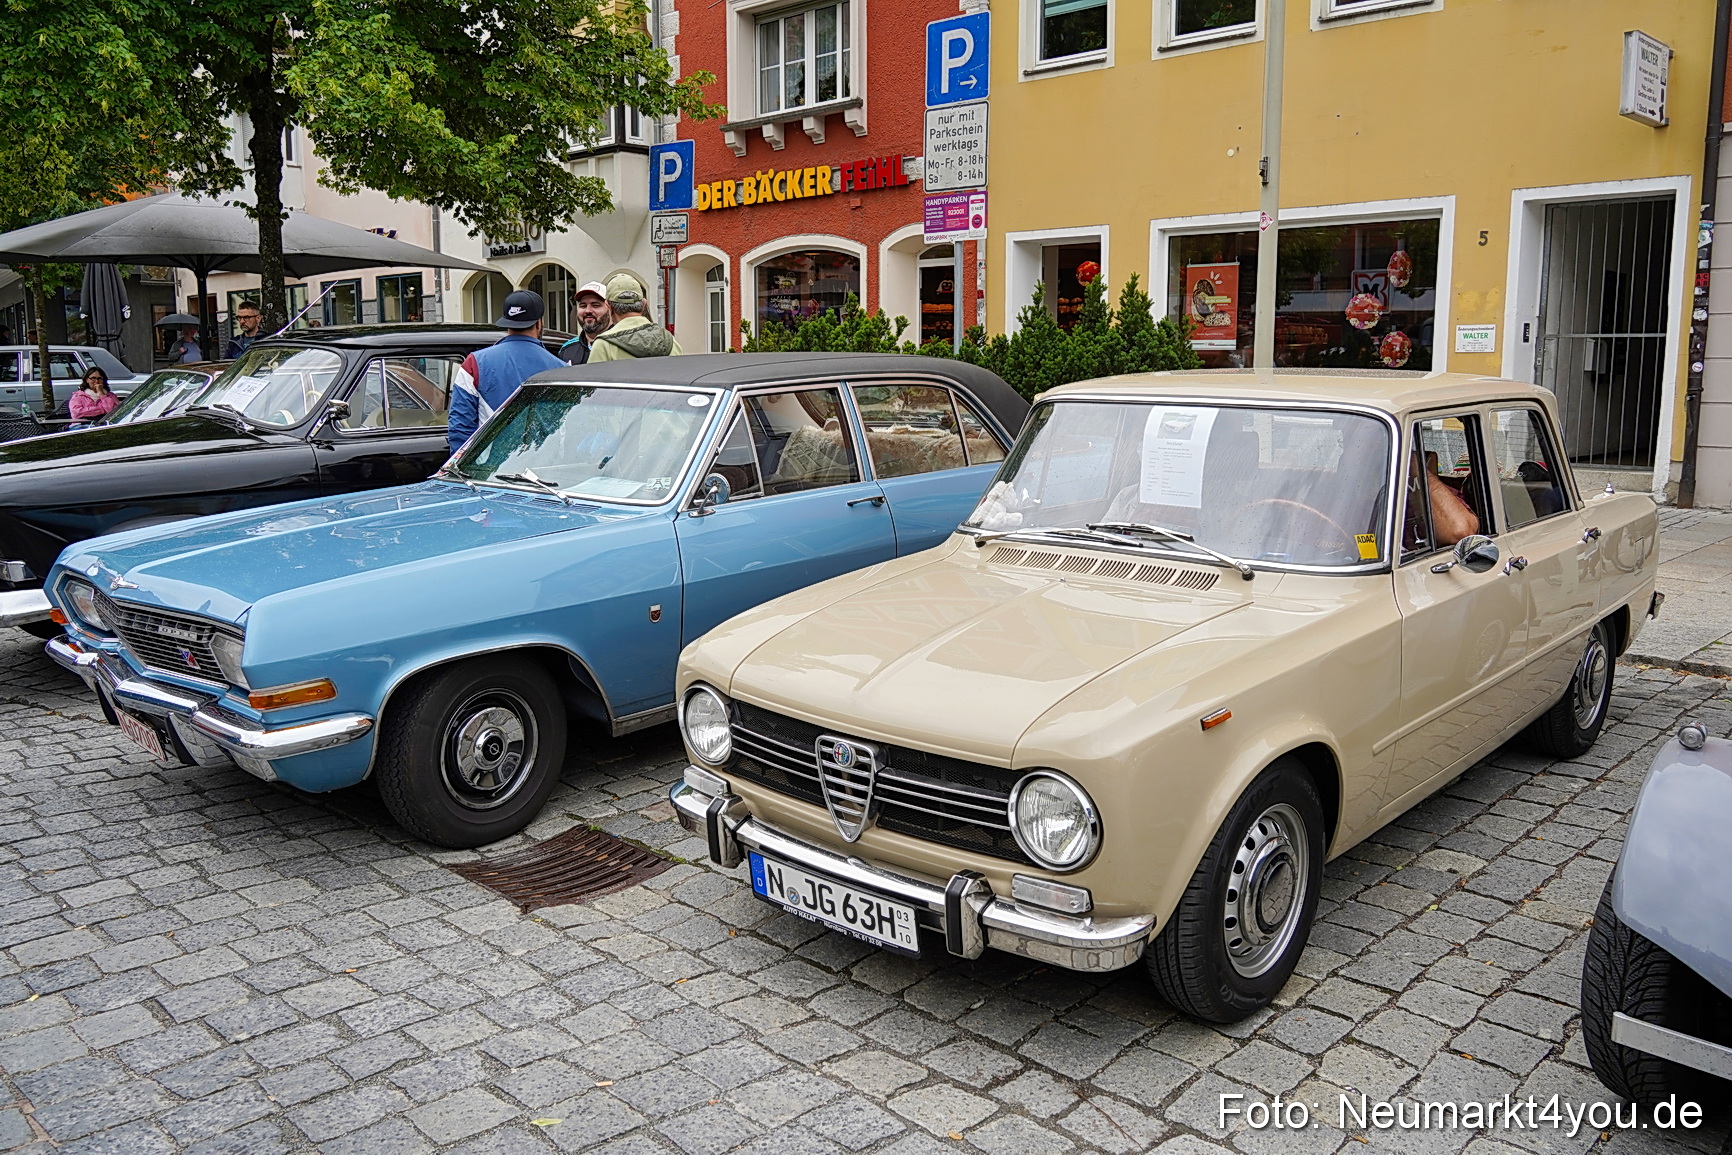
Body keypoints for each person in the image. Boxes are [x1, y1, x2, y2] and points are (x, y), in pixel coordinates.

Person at [447, 289, 566, 454]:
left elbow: (459, 429)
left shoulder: (474, 364)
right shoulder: (562, 370)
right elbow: (565, 429)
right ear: (539, 323)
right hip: (541, 471)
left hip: (487, 471)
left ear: (506, 322)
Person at [589, 273, 682, 361]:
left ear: (609, 306)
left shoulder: (604, 345)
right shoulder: (669, 341)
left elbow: (592, 377)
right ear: (644, 304)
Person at [557, 282, 611, 365]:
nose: (588, 311)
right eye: (583, 305)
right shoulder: (567, 349)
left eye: (595, 305)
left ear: (610, 308)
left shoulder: (620, 345)